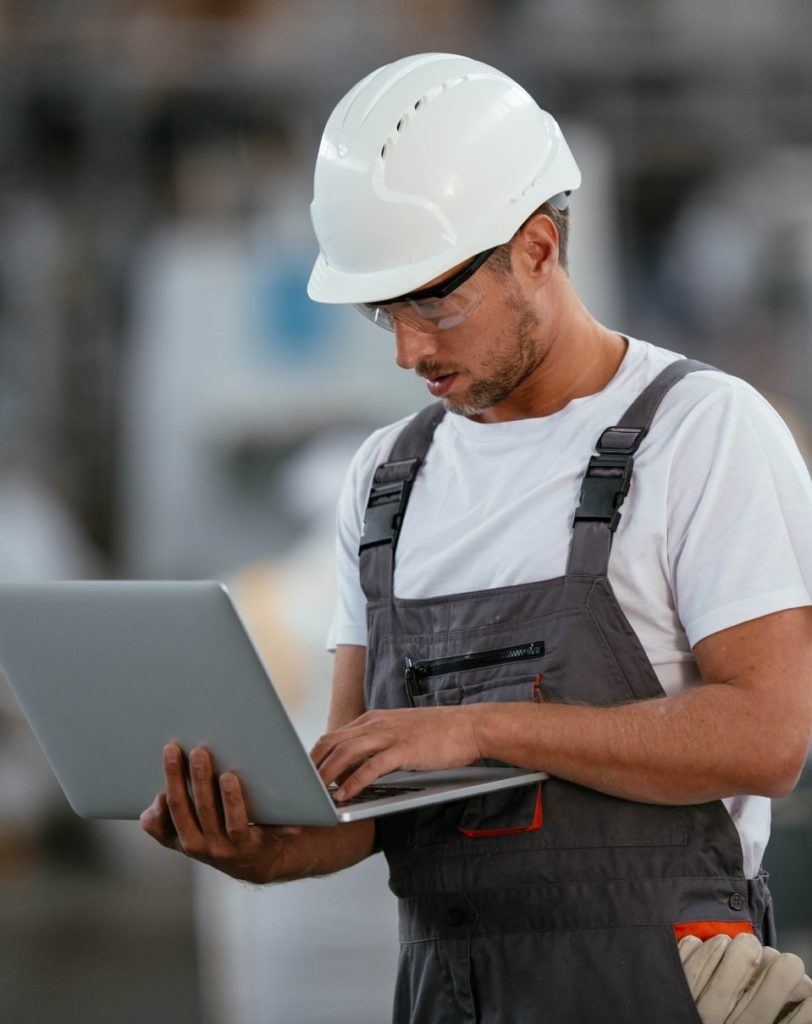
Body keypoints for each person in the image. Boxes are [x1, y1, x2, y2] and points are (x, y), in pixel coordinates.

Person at [141, 53, 812, 1022]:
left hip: (662, 986)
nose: (409, 347)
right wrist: (257, 847)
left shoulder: (701, 430)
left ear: (536, 247)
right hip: (445, 993)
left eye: (435, 300)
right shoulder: (383, 481)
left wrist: (479, 727)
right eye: (385, 309)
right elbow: (358, 794)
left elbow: (767, 736)